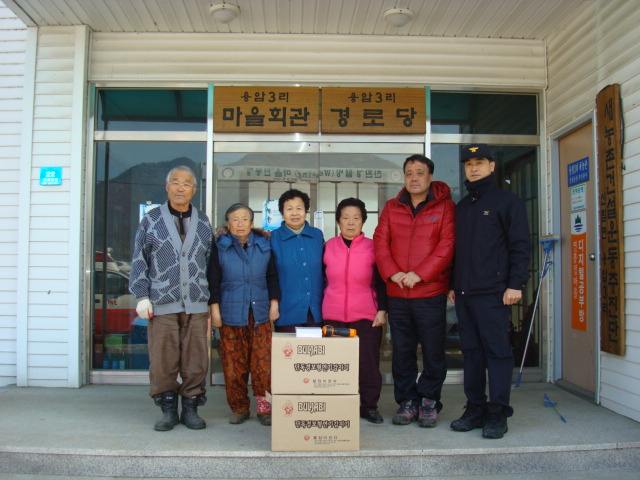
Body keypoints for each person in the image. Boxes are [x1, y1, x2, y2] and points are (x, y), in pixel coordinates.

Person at [448, 144, 531, 439]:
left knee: (497, 352)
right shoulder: (462, 206)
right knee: (471, 352)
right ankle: (475, 408)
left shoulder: (507, 201)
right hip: (465, 293)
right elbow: (457, 251)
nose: (474, 168)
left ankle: (497, 411)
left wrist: (515, 284)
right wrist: (453, 284)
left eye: (479, 162)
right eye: (469, 163)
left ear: (492, 166)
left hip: (494, 292)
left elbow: (520, 245)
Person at [373, 154, 455, 428]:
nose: (414, 178)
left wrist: (420, 274)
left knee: (433, 351)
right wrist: (393, 273)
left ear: (430, 177)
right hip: (398, 293)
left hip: (429, 293)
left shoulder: (445, 207)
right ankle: (407, 400)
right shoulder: (392, 207)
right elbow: (380, 242)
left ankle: (429, 400)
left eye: (420, 172)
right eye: (409, 173)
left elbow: (446, 246)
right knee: (402, 352)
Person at [129, 165, 212, 431]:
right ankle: (167, 409)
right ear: (167, 187)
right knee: (163, 358)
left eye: (186, 183)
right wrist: (141, 296)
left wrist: (211, 300)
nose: (180, 187)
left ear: (194, 190)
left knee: (196, 358)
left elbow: (210, 262)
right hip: (162, 302)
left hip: (196, 302)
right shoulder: (151, 219)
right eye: (175, 182)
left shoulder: (203, 221)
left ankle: (190, 408)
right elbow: (139, 259)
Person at [208, 203, 280, 426]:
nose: (240, 224)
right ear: (228, 224)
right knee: (233, 365)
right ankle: (239, 408)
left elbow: (272, 277)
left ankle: (264, 408)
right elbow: (213, 282)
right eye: (235, 219)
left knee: (263, 364)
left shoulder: (264, 245)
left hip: (259, 314)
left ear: (251, 222)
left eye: (244, 219)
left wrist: (274, 305)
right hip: (230, 315)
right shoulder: (220, 248)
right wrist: (215, 312)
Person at [322, 198, 388, 424]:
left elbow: (383, 282)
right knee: (336, 366)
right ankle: (339, 406)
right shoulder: (328, 246)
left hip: (366, 317)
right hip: (333, 317)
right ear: (338, 221)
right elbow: (320, 280)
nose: (350, 223)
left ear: (363, 221)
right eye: (345, 218)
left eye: (356, 218)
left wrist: (382, 309)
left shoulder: (374, 247)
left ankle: (369, 407)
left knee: (368, 366)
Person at [270, 189, 324, 332]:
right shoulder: (273, 238)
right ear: (282, 213)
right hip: (286, 310)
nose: (294, 213)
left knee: (314, 346)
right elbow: (270, 275)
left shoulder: (317, 236)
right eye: (289, 209)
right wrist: (273, 303)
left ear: (305, 211)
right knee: (288, 347)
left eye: (299, 208)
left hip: (315, 310)